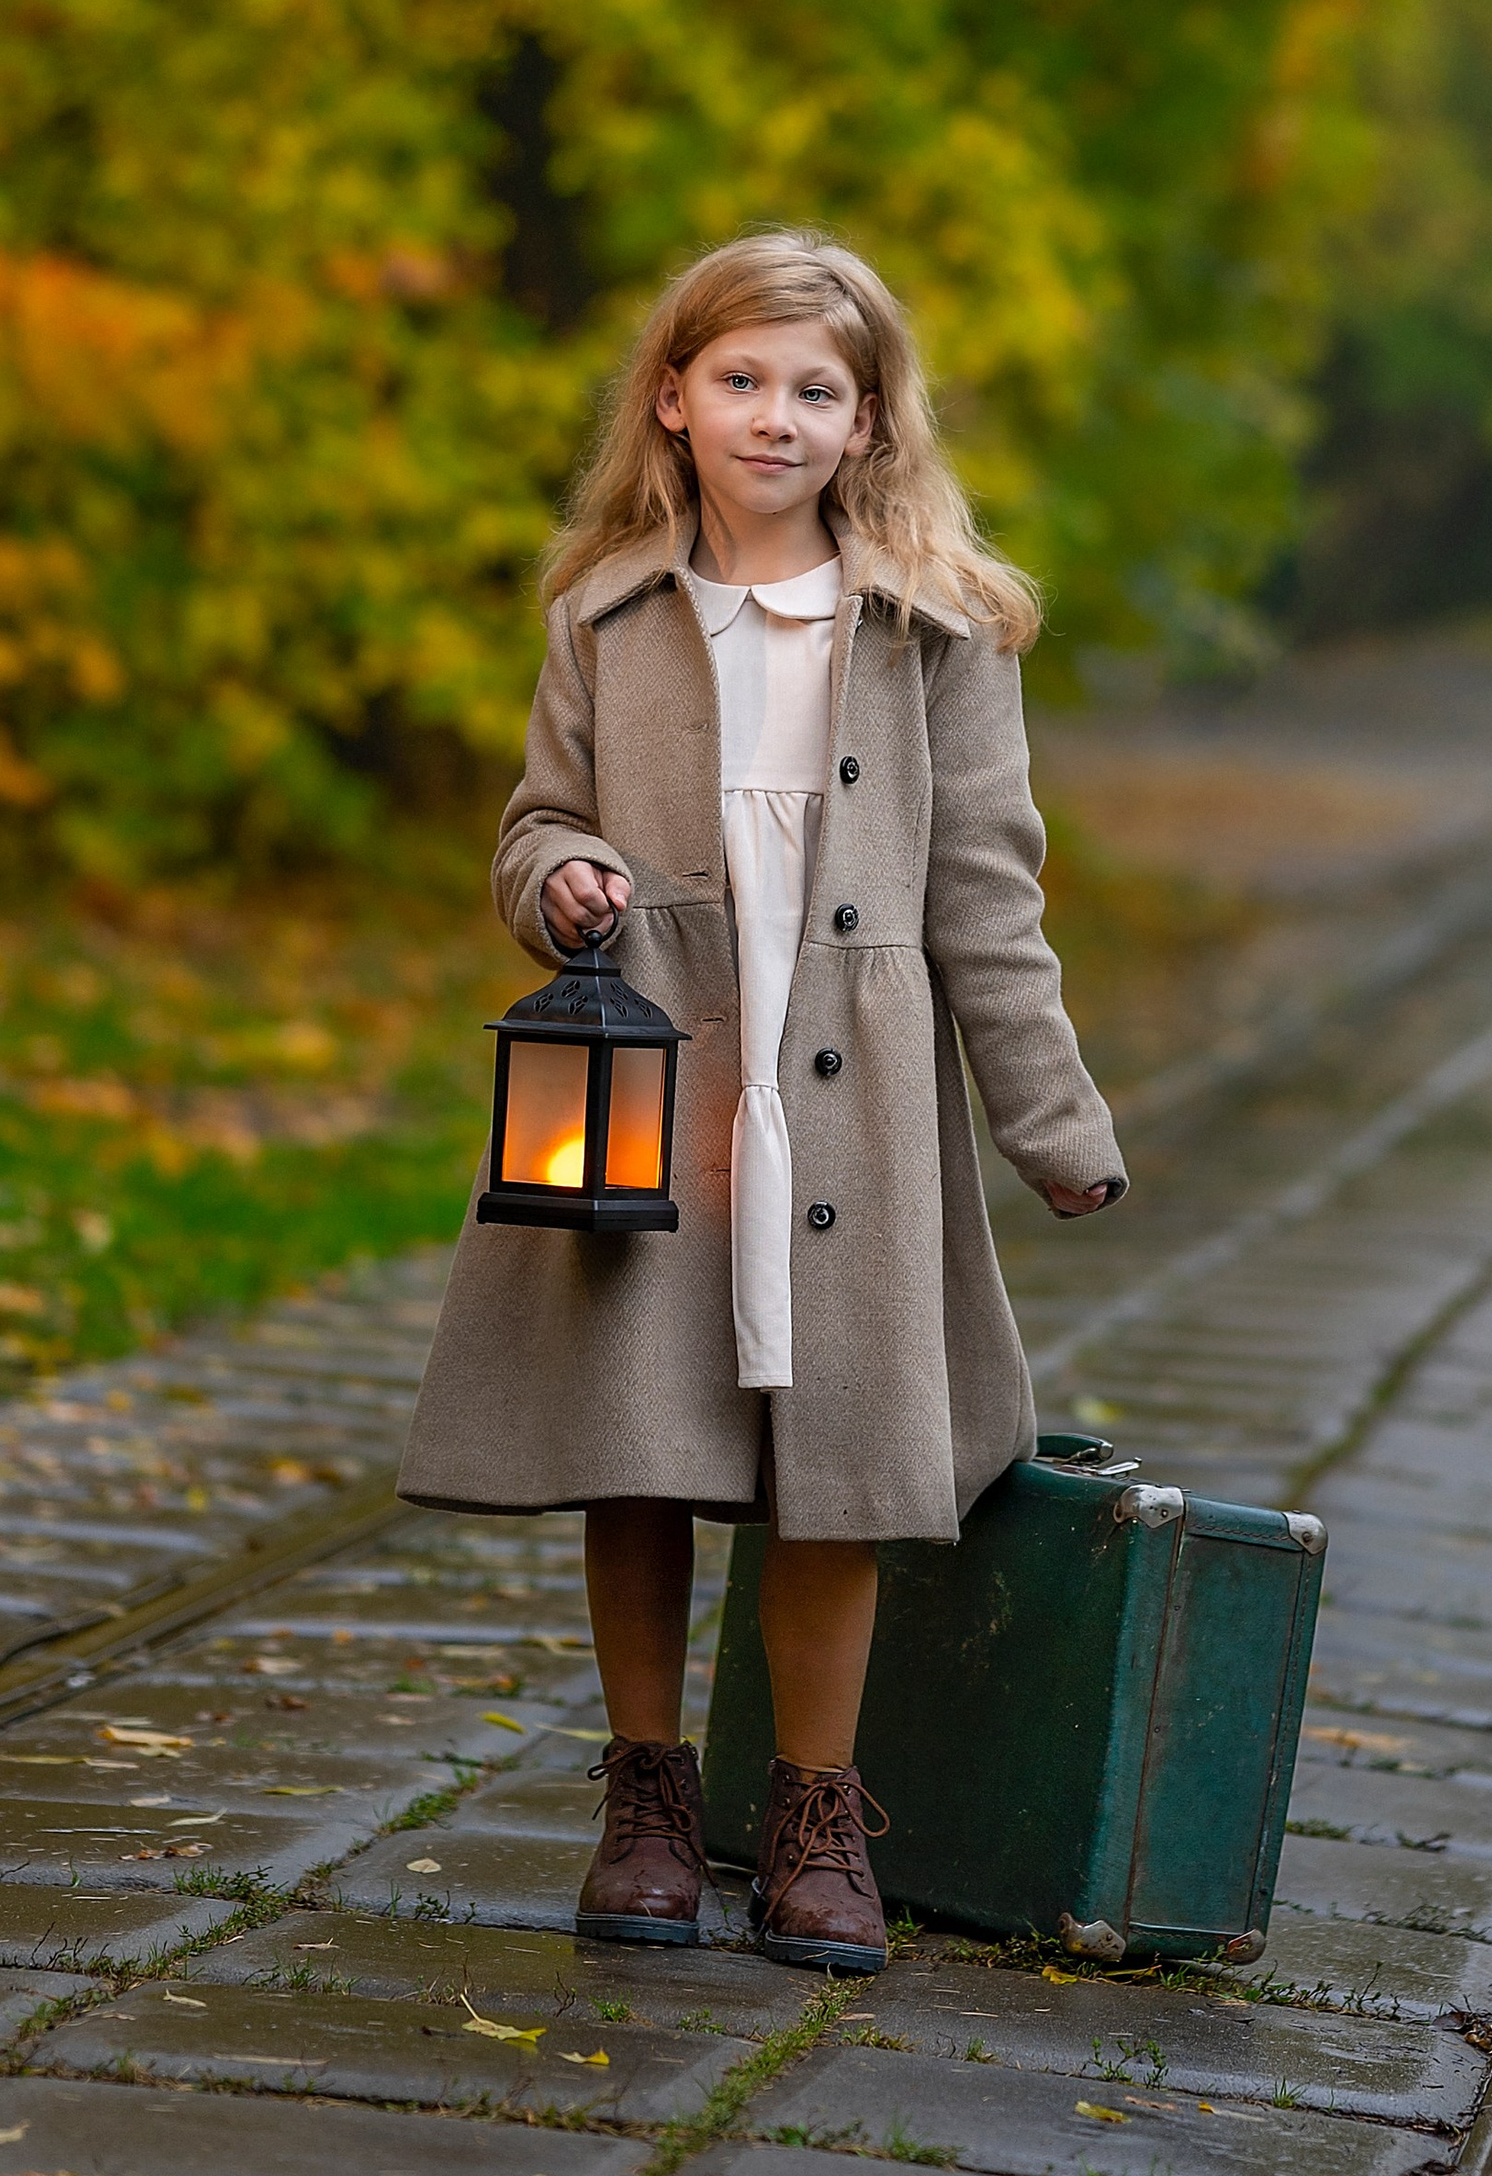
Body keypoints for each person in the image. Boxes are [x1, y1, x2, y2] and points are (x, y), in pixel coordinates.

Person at [398, 230, 1125, 1973]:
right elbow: (532, 822)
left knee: (839, 1464)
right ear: (673, 395)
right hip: (657, 1080)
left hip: (855, 1100)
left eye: (817, 389)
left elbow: (988, 896)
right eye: (741, 379)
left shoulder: (938, 632)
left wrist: (1056, 1121)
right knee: (638, 1443)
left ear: (870, 423)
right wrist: (563, 874)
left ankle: (813, 1814)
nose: (776, 416)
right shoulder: (607, 615)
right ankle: (648, 1796)